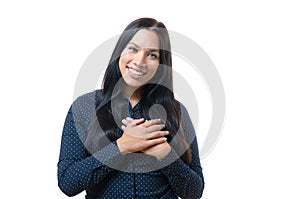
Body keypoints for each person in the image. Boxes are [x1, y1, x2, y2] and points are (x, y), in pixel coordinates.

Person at [57, 17, 204, 199]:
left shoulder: (176, 111)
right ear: (120, 52)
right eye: (133, 49)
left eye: (152, 55)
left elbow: (195, 192)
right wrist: (122, 147)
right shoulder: (85, 107)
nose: (139, 61)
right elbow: (67, 182)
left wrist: (165, 155)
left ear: (160, 64)